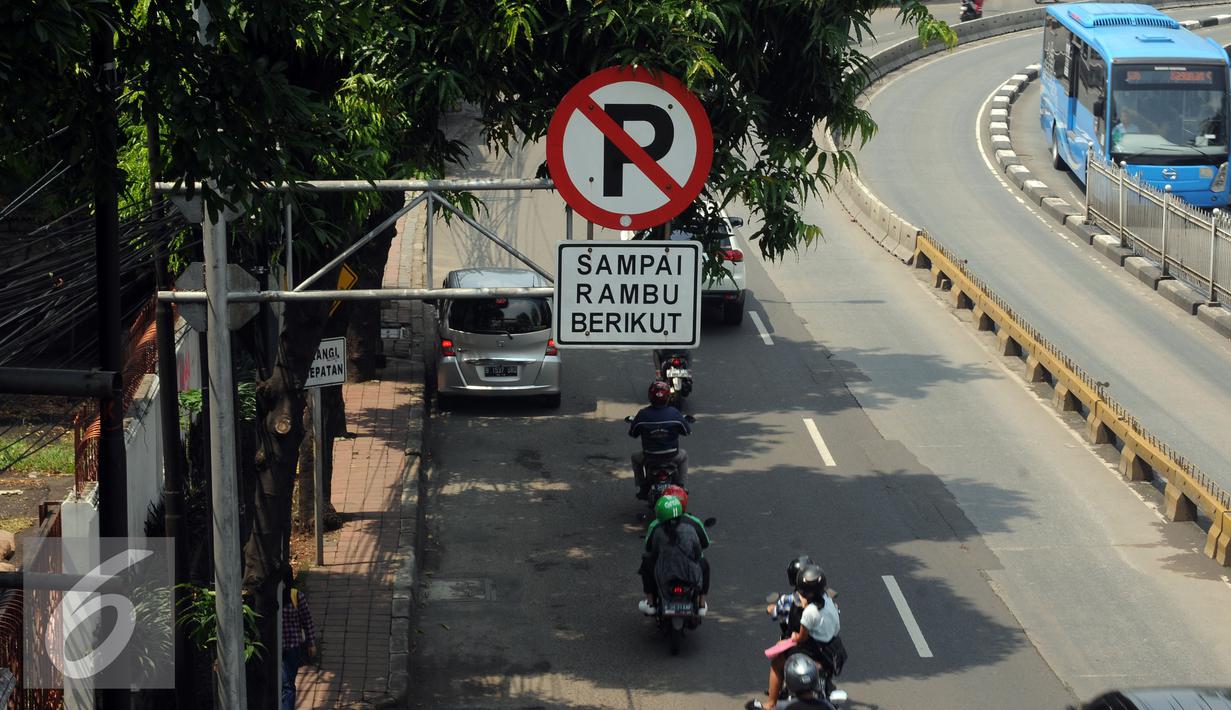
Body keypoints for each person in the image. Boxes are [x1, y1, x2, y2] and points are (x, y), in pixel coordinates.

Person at [754, 564, 845, 710]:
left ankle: (771, 703)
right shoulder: (829, 601)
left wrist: (792, 638)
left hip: (811, 650)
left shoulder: (809, 612)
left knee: (776, 663)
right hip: (831, 649)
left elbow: (801, 637)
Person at [643, 485, 711, 611]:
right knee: (704, 564)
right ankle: (702, 603)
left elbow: (651, 551)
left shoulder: (657, 528)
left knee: (646, 562)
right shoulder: (691, 528)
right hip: (689, 574)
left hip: (664, 574)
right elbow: (699, 552)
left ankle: (650, 602)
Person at [628, 381, 691, 498]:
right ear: (667, 397)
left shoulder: (642, 415)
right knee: (684, 455)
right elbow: (687, 432)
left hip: (649, 457)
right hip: (672, 456)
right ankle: (681, 486)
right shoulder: (675, 413)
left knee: (635, 457)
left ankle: (642, 486)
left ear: (650, 397)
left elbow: (633, 433)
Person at [282, 570, 318, 710]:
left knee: (287, 684)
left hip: (292, 648)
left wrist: (311, 643)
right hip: (275, 649)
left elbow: (307, 621)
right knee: (283, 684)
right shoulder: (270, 597)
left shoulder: (296, 596)